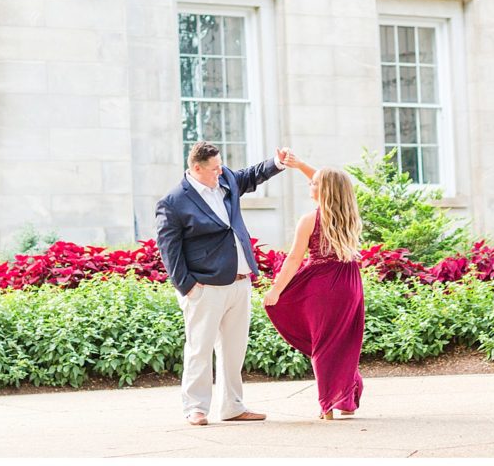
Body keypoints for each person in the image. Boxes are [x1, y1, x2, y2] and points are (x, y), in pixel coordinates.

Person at [156, 141, 291, 426]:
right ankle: (196, 408)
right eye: (215, 168)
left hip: (240, 281)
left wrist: (276, 163)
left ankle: (232, 406)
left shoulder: (225, 178)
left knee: (234, 349)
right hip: (204, 287)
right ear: (196, 168)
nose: (221, 171)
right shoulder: (173, 202)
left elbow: (248, 176)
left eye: (221, 166)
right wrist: (188, 286)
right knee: (199, 349)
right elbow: (169, 250)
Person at [263, 155, 365, 420]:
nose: (310, 184)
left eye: (314, 183)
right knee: (343, 343)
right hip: (350, 285)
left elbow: (295, 259)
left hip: (322, 287)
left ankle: (327, 404)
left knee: (322, 345)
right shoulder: (349, 216)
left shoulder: (310, 220)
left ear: (323, 190)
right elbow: (334, 183)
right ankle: (343, 398)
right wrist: (300, 166)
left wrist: (276, 290)